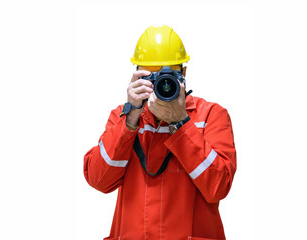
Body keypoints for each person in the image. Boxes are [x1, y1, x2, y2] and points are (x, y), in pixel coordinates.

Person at [84, 25, 237, 240]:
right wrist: (130, 119)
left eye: (167, 75)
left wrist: (181, 123)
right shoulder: (124, 117)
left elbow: (218, 187)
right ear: (136, 76)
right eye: (150, 76)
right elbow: (99, 181)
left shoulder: (211, 115)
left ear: (183, 73)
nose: (160, 85)